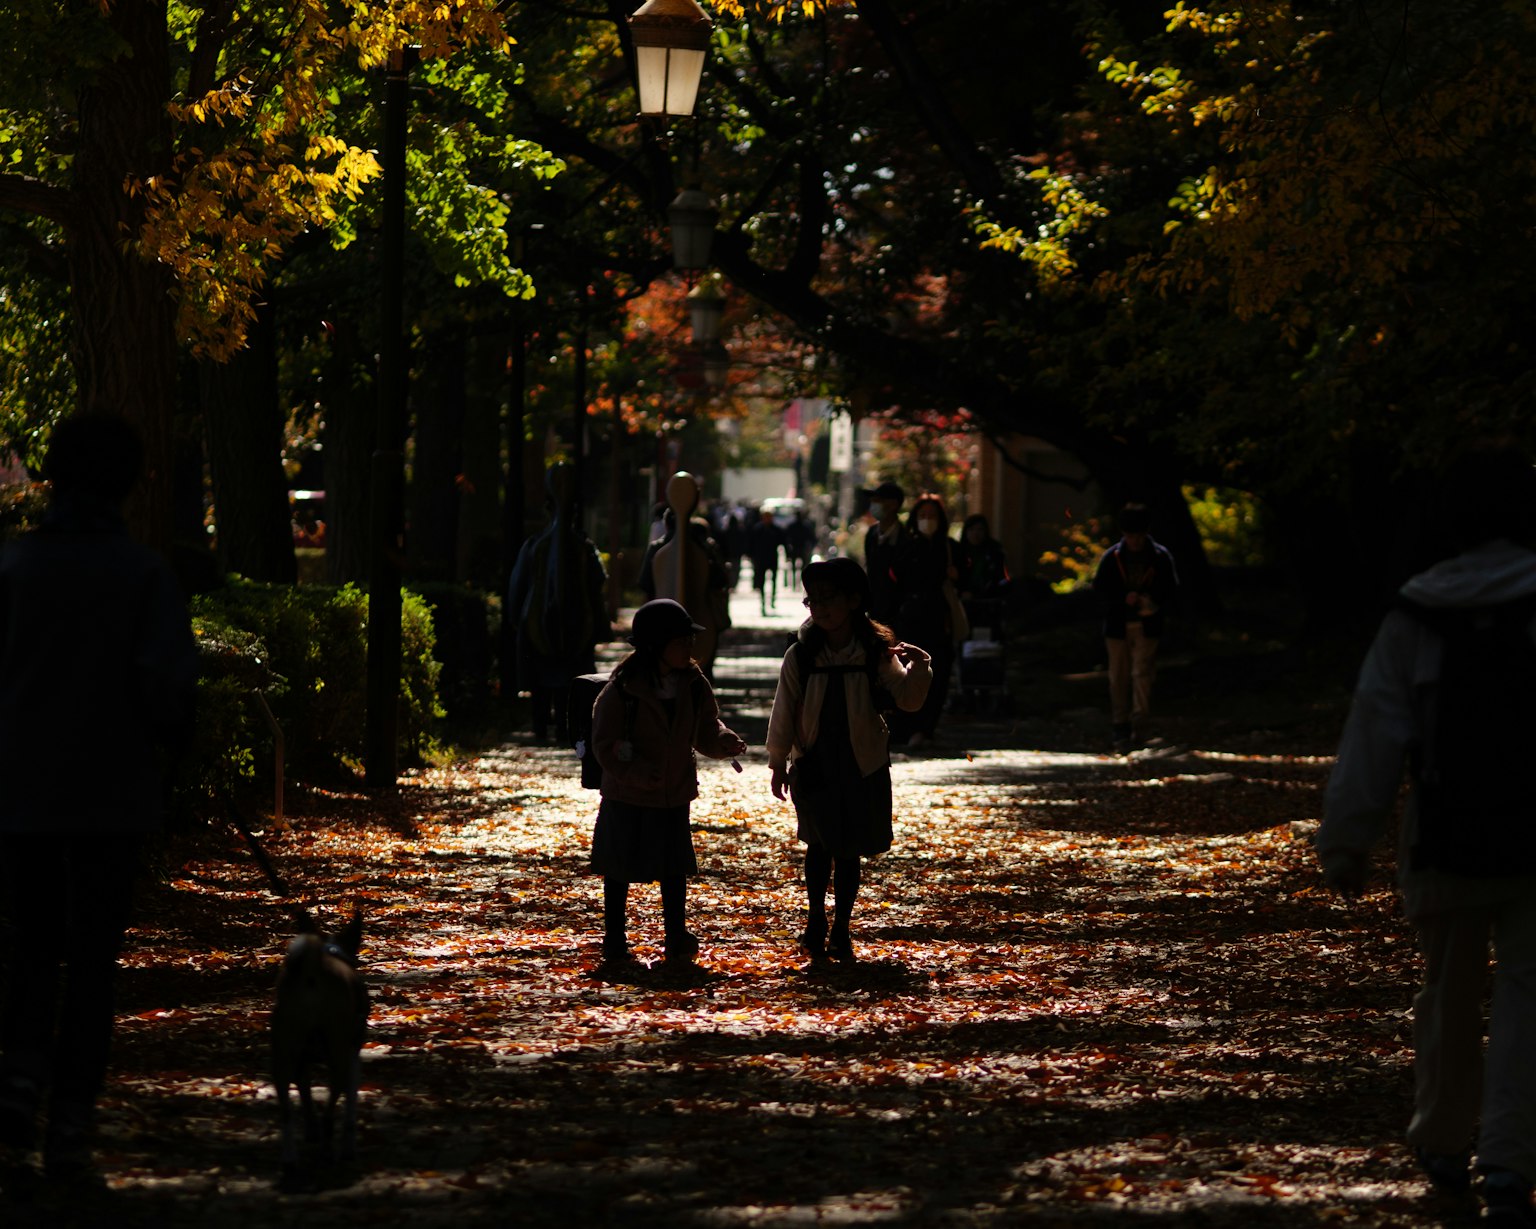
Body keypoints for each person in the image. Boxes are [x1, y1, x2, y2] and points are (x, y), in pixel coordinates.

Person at [1318, 444, 1536, 1226]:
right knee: (1526, 993)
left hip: (1444, 830)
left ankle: (1443, 1137)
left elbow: (1376, 728)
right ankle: (1513, 1157)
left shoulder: (1418, 608)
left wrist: (1347, 839)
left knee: (1447, 990)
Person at [0, 413, 198, 1181]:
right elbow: (168, 689)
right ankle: (73, 1124)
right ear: (129, 482)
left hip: (21, 791)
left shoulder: (15, 567)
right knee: (91, 962)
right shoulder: (143, 575)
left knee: (32, 945)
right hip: (111, 795)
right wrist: (173, 746)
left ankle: (18, 1076)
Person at [767, 558, 931, 962]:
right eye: (812, 600)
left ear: (854, 601)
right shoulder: (801, 655)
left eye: (828, 599)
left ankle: (841, 924)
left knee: (849, 849)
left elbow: (908, 700)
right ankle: (816, 920)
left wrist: (920, 667)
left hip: (862, 763)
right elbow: (784, 710)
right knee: (819, 845)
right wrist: (777, 762)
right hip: (815, 762)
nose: (819, 608)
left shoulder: (875, 652)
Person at [590, 599, 747, 966]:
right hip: (627, 794)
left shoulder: (692, 683)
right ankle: (614, 941)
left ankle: (676, 936)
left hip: (673, 792)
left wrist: (722, 741)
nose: (690, 647)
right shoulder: (623, 690)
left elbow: (706, 727)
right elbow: (604, 743)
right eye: (681, 641)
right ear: (655, 646)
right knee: (619, 869)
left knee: (674, 869)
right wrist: (635, 773)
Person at [506, 463, 610, 741]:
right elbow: (598, 585)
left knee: (544, 680)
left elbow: (518, 585)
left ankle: (543, 726)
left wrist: (516, 617)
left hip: (540, 622)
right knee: (568, 679)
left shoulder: (536, 546)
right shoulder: (582, 549)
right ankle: (563, 728)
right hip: (575, 623)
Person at [1091, 503, 1179, 750]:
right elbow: (1100, 590)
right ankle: (1120, 725)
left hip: (1147, 624)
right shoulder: (1112, 557)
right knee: (1118, 676)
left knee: (1142, 673)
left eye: (1139, 536)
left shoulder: (1160, 556)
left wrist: (1152, 601)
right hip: (1118, 625)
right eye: (1131, 536)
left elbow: (1171, 589)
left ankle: (1140, 724)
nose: (1135, 541)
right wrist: (1122, 599)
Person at [891, 493, 960, 747]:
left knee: (938, 675)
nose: (927, 520)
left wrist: (955, 576)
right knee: (905, 673)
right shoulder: (907, 547)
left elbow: (964, 581)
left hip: (939, 621)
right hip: (909, 620)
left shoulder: (950, 547)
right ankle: (904, 728)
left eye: (931, 516)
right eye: (922, 516)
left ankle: (925, 729)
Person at [861, 480, 909, 628]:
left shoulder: (906, 538)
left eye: (878, 501)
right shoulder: (872, 534)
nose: (874, 505)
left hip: (899, 612)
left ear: (894, 504)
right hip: (875, 610)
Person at [956, 514, 1010, 601]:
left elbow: (1001, 579)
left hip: (989, 600)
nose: (975, 533)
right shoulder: (959, 552)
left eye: (980, 529)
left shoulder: (994, 552)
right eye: (971, 529)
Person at [746, 506, 784, 616]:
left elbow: (782, 542)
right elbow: (751, 543)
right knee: (761, 582)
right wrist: (750, 555)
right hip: (760, 559)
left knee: (773, 581)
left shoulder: (776, 529)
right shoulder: (757, 529)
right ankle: (762, 603)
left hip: (772, 558)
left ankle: (772, 599)